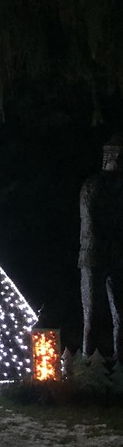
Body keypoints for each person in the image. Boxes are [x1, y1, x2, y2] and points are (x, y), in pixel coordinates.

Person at [79, 132, 123, 358]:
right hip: (94, 255)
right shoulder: (94, 185)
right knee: (93, 315)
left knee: (121, 315)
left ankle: (120, 364)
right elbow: (94, 223)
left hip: (116, 257)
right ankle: (88, 367)